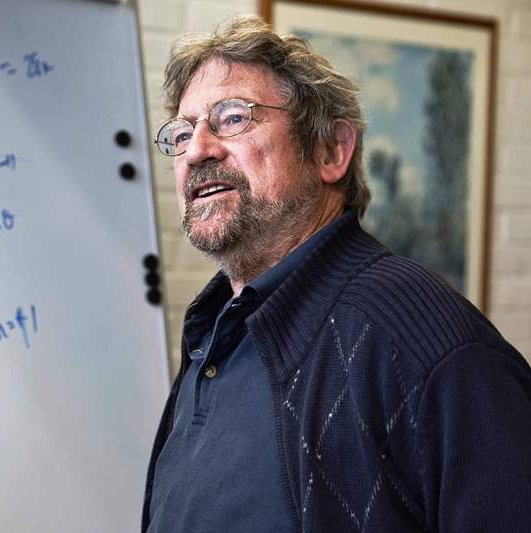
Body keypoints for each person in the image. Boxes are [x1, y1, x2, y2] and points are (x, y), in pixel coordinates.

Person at [143, 15, 531, 533]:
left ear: (331, 150)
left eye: (232, 117)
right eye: (183, 132)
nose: (196, 150)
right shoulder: (215, 332)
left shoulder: (428, 343)